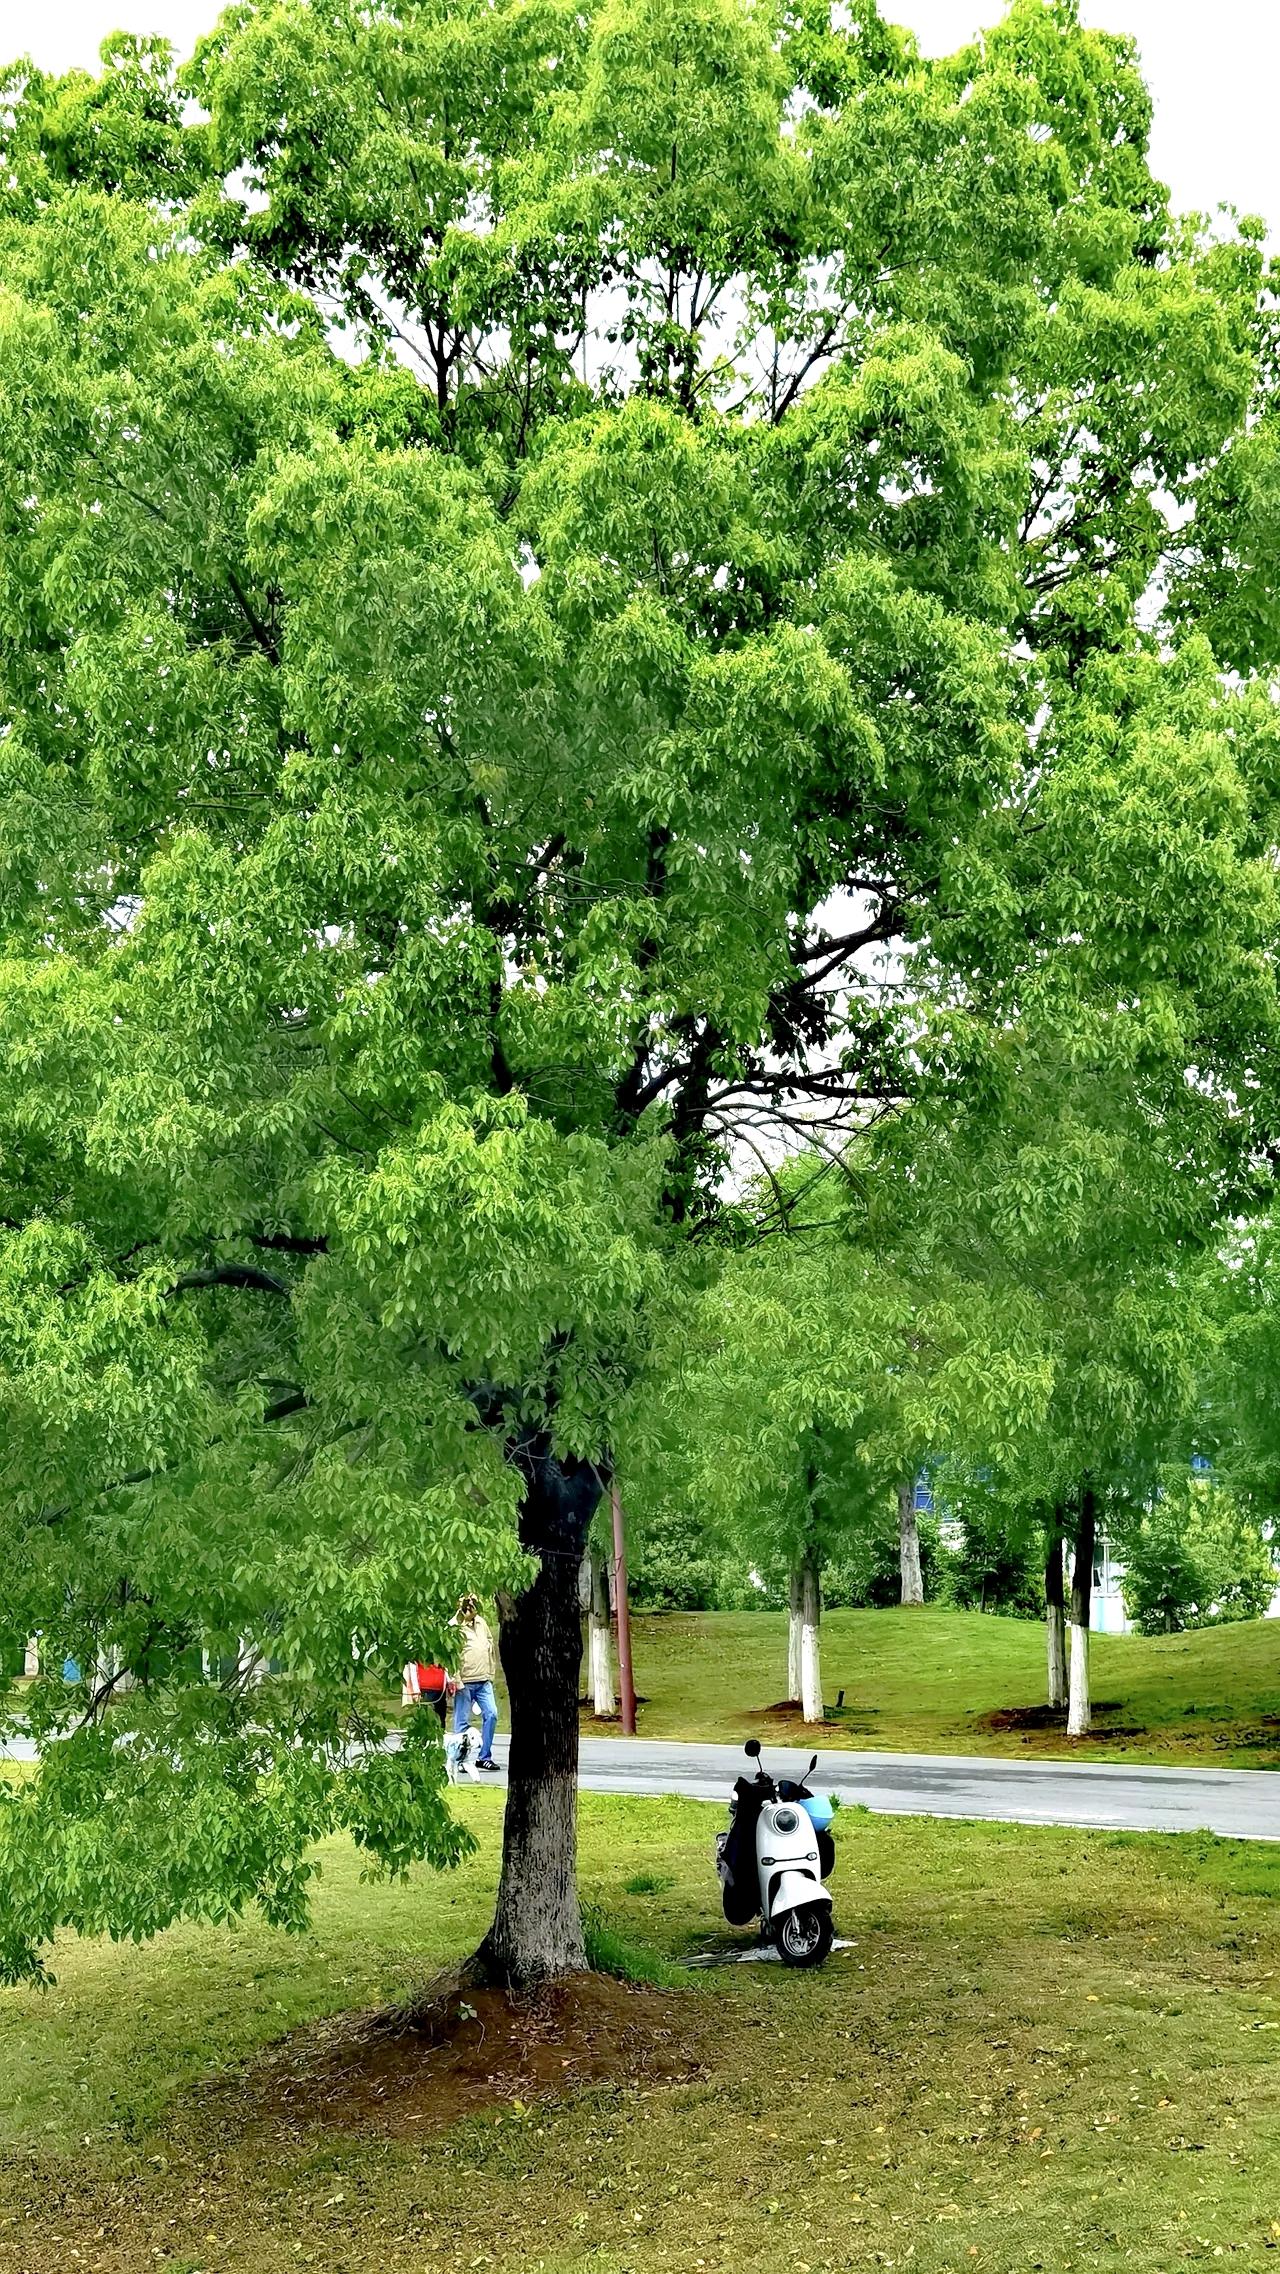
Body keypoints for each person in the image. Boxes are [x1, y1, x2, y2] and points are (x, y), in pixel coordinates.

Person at [450, 1595, 500, 1771]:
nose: (472, 1607)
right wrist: (457, 1681)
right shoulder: (455, 1626)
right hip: (465, 1681)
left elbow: (490, 1646)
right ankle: (460, 1759)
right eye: (468, 1603)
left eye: (474, 1603)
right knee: (461, 1721)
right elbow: (451, 1656)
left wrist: (491, 1674)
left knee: (492, 1714)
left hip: (483, 1680)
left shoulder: (481, 1623)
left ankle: (484, 1757)